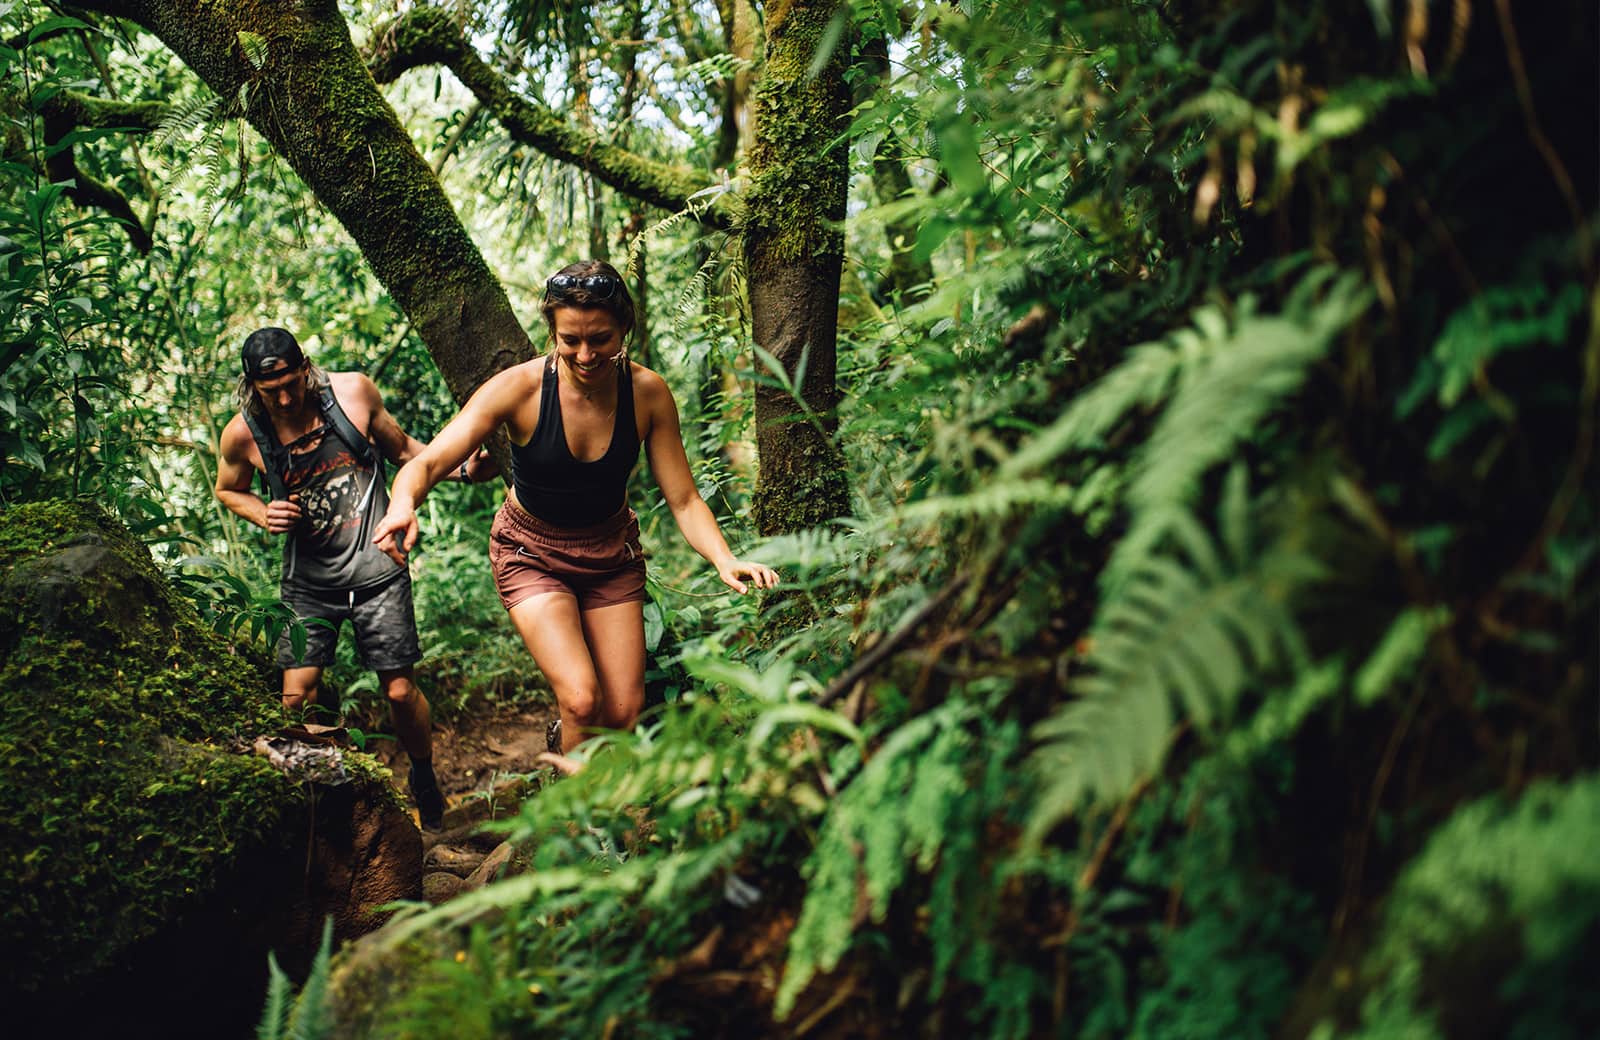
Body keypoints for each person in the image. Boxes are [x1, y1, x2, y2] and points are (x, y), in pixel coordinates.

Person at [372, 259, 778, 755]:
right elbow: (430, 461)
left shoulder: (647, 394)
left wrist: (724, 558)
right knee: (583, 699)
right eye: (570, 340)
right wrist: (402, 504)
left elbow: (685, 498)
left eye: (601, 339)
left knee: (623, 714)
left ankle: (577, 764)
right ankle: (581, 825)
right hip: (530, 552)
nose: (586, 354)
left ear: (625, 328)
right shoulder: (518, 389)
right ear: (552, 331)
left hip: (610, 555)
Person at [214, 327, 469, 830]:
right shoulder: (242, 435)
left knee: (399, 691)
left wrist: (461, 468)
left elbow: (403, 452)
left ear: (305, 366)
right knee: (295, 698)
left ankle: (423, 777)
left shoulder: (353, 393)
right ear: (251, 386)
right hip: (308, 584)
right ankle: (322, 812)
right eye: (271, 391)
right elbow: (228, 490)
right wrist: (263, 513)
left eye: (292, 382)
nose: (285, 398)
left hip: (379, 568)